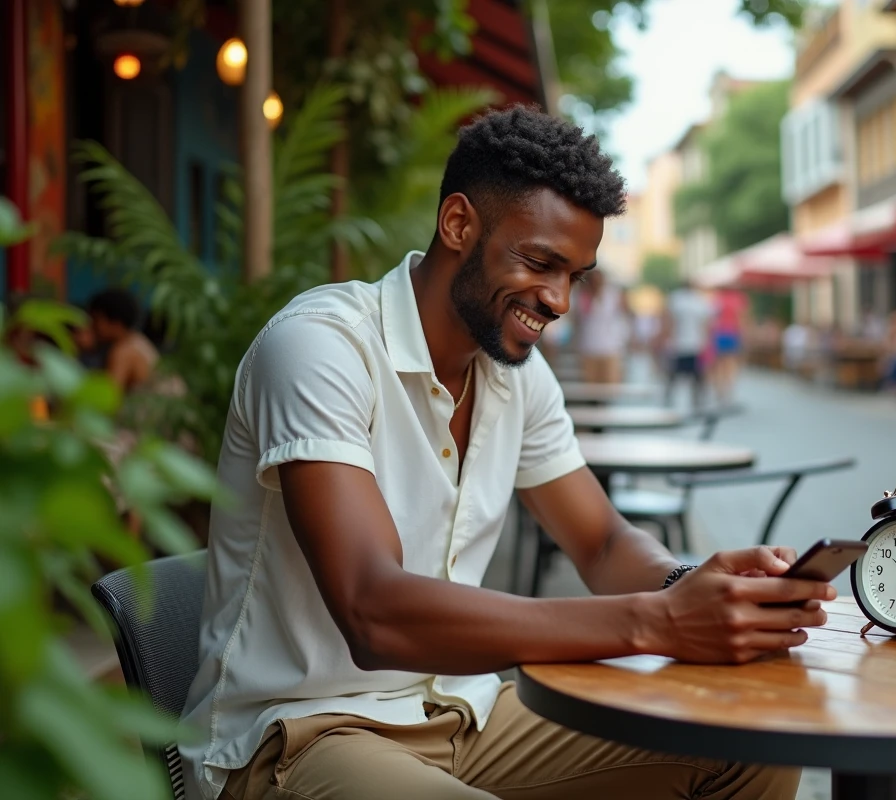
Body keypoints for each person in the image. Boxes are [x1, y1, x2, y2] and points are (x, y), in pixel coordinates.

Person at [180, 106, 826, 800]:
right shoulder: (319, 347)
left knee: (745, 742)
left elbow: (603, 543)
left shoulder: (517, 376)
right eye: (541, 263)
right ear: (459, 224)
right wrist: (659, 623)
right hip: (301, 735)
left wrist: (693, 586)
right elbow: (373, 610)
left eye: (576, 275)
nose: (558, 300)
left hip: (464, 717)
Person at [87, 287, 160, 394]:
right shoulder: (138, 341)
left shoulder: (123, 351)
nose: (92, 326)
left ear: (115, 321)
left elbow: (109, 399)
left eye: (96, 319)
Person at [662, 278, 715, 409]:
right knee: (696, 376)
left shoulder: (675, 299)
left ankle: (669, 398)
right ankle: (697, 400)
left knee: (675, 375)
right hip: (695, 343)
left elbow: (668, 321)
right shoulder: (700, 301)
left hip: (680, 343)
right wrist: (707, 341)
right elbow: (706, 324)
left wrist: (667, 338)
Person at [575, 269, 630, 384]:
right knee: (590, 384)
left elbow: (626, 314)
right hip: (589, 347)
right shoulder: (583, 296)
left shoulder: (613, 295)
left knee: (610, 384)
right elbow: (579, 318)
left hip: (611, 347)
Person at [708, 288, 748, 404]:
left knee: (719, 364)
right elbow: (742, 318)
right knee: (730, 363)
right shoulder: (739, 298)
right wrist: (744, 335)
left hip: (719, 333)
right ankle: (728, 390)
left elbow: (712, 318)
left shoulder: (717, 298)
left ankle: (720, 390)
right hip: (732, 333)